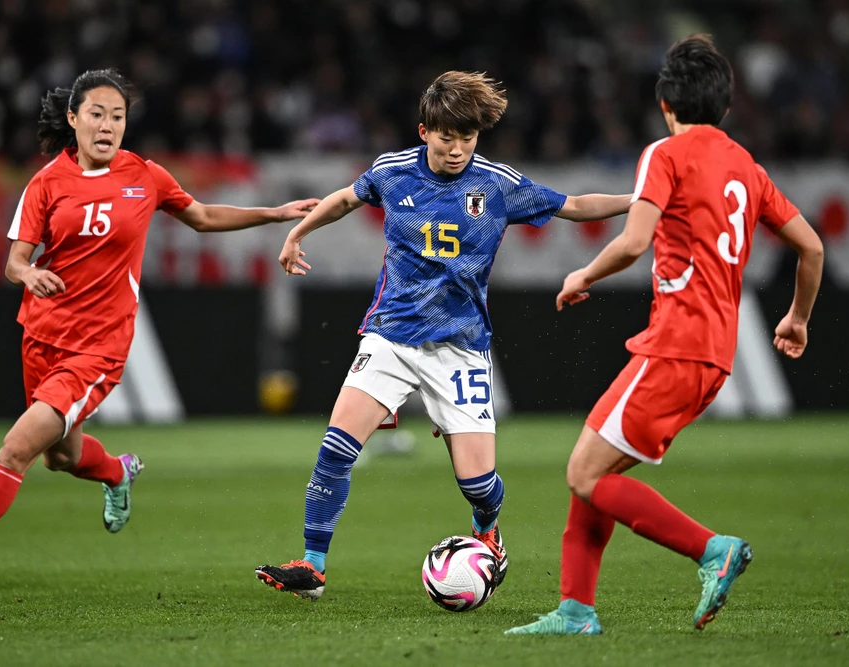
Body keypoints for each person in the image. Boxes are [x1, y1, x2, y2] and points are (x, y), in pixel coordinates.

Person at [0, 68, 319, 591]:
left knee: (15, 450)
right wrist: (29, 274)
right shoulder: (46, 183)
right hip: (41, 336)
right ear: (73, 119)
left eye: (117, 117)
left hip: (97, 348)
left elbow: (203, 216)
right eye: (97, 114)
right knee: (60, 457)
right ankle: (118, 472)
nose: (107, 126)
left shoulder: (144, 175)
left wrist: (275, 214)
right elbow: (14, 262)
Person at [255, 71, 632, 600]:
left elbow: (574, 205)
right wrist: (298, 232)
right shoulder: (392, 172)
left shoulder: (497, 184)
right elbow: (344, 198)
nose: (457, 149)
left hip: (460, 348)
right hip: (390, 336)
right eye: (446, 137)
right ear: (424, 131)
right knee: (336, 448)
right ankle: (313, 565)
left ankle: (487, 530)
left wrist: (642, 201)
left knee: (478, 485)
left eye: (467, 138)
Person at [505, 35, 824, 636]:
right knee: (594, 465)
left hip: (677, 343)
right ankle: (575, 611)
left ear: (665, 104)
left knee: (585, 474)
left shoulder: (666, 153)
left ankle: (712, 550)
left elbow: (634, 241)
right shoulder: (746, 166)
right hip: (715, 355)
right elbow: (812, 247)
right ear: (724, 107)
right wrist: (798, 318)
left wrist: (582, 274)